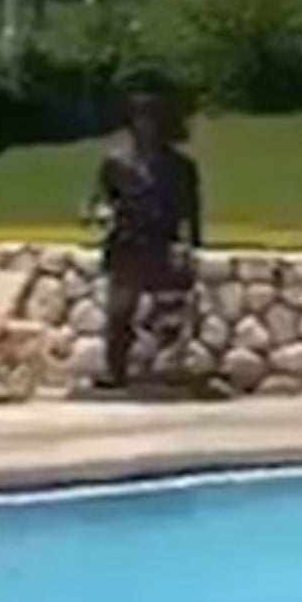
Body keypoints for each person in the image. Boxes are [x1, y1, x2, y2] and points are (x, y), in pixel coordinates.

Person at [87, 90, 203, 393]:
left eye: (150, 119)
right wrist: (98, 212)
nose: (145, 126)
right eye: (139, 119)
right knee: (119, 312)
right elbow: (100, 199)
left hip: (162, 242)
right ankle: (116, 371)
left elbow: (190, 209)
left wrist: (190, 245)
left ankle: (169, 367)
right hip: (126, 241)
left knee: (170, 313)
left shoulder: (180, 166)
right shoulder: (115, 162)